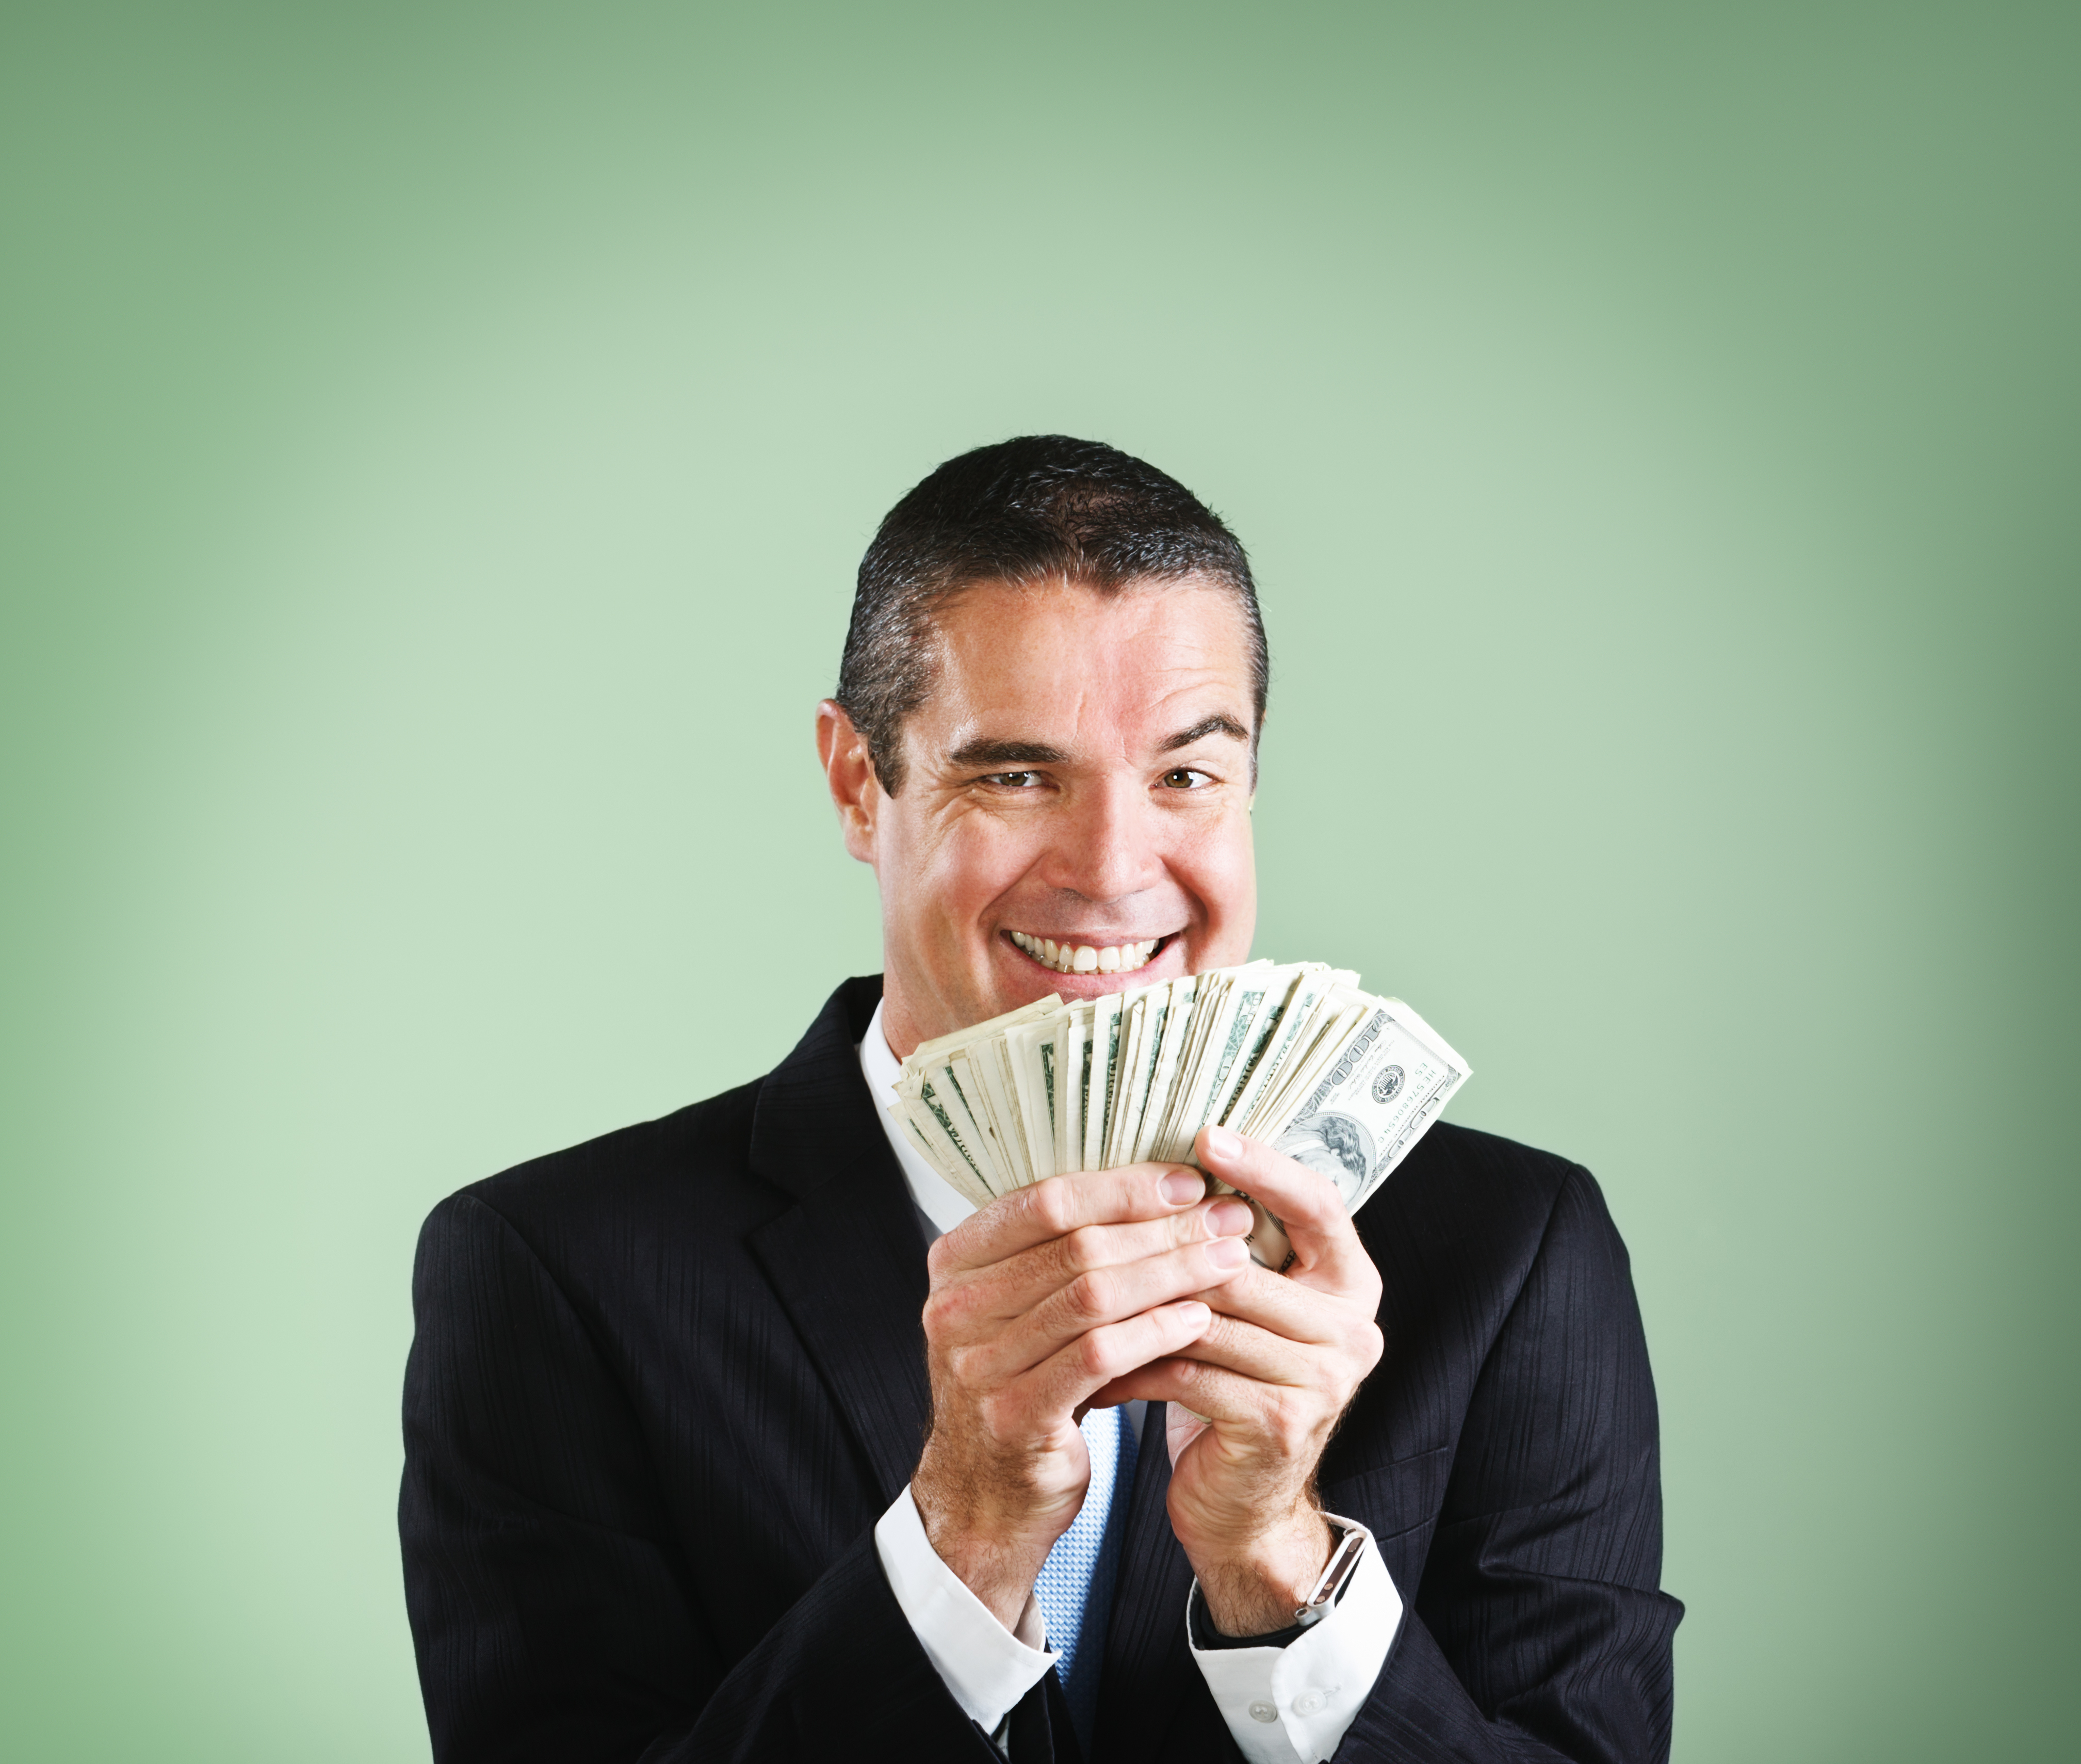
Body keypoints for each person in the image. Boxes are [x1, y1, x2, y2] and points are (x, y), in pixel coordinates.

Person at [399, 435, 1681, 1763]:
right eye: (1016, 775)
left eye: (1186, 775)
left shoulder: (1514, 1251)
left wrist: (1278, 1568)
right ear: (859, 783)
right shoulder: (556, 1271)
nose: (1115, 871)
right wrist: (963, 1533)